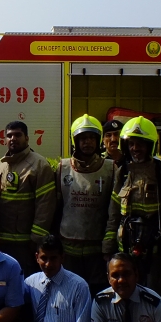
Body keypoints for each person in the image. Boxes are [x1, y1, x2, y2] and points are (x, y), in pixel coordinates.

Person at [105, 116, 161, 322]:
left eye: (140, 144)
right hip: (128, 252)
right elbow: (114, 213)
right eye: (131, 144)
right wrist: (108, 248)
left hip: (159, 256)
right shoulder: (123, 172)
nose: (135, 148)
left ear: (150, 146)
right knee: (130, 304)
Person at [54, 115, 114, 293]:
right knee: (70, 291)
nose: (87, 142)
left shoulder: (110, 168)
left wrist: (109, 244)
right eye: (83, 138)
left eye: (91, 138)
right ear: (75, 141)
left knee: (97, 293)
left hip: (97, 248)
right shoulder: (63, 168)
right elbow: (55, 207)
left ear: (98, 141)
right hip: (68, 246)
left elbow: (114, 211)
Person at [0, 121, 57, 275]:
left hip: (26, 245)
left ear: (27, 138)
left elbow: (46, 205)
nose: (13, 139)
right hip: (2, 242)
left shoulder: (39, 165)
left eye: (18, 135)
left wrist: (37, 239)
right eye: (9, 135)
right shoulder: (1, 164)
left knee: (25, 284)